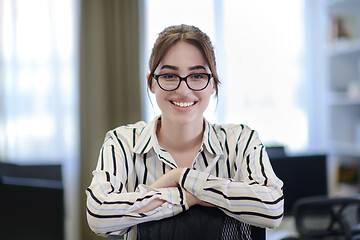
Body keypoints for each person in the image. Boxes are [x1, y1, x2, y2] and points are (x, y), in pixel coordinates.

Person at [86, 24, 284, 239]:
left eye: (197, 76)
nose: (183, 90)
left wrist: (181, 176)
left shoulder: (241, 140)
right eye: (170, 76)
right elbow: (99, 217)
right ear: (152, 83)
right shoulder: (122, 142)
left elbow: (272, 209)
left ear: (213, 84)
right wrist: (191, 195)